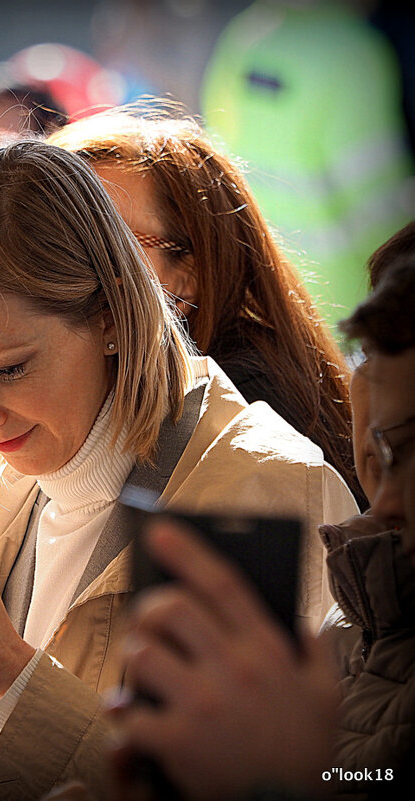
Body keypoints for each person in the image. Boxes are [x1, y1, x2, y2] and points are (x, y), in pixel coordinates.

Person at [0, 140, 358, 800]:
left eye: (8, 369)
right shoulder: (3, 495)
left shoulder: (263, 496)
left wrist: (13, 678)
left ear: (112, 315)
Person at [109, 222, 415, 801]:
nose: (387, 502)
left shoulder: (264, 458)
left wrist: (280, 781)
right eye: (387, 452)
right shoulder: (361, 614)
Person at [47, 106, 365, 509]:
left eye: (106, 243)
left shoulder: (242, 411)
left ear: (186, 278)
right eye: (50, 238)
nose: (61, 265)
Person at [200, 0, 414, 333]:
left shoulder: (248, 33)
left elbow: (213, 151)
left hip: (258, 298)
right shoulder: (353, 51)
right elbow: (380, 215)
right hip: (342, 314)